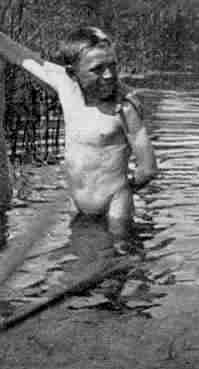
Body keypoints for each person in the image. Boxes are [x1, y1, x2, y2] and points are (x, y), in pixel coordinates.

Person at [0, 27, 157, 237]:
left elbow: (148, 169)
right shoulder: (66, 87)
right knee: (77, 250)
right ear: (73, 73)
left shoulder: (124, 108)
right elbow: (20, 55)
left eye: (113, 66)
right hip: (77, 204)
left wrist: (123, 190)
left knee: (118, 251)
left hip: (115, 207)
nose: (109, 75)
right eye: (97, 69)